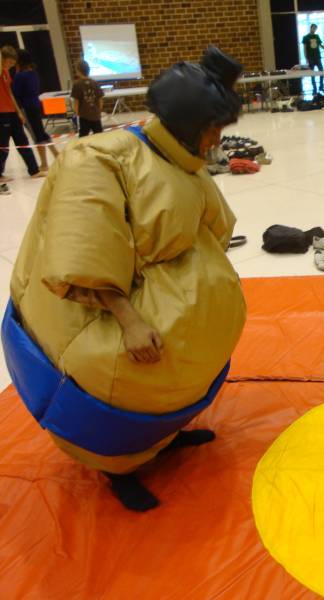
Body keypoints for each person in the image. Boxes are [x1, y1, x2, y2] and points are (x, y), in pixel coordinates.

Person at [2, 47, 247, 512]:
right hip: (109, 320)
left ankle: (165, 436)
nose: (218, 140)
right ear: (188, 123)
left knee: (169, 386)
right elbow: (84, 246)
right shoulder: (101, 157)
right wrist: (130, 320)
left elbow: (213, 231)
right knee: (122, 384)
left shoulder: (183, 163)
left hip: (173, 336)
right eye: (214, 128)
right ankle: (119, 469)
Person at [0, 45, 43, 183]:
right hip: (2, 114)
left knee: (23, 141)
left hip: (12, 112)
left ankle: (34, 170)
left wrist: (18, 112)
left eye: (13, 64)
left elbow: (10, 93)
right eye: (9, 62)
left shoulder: (6, 73)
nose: (11, 66)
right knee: (3, 145)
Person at [12, 49, 59, 171]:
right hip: (36, 104)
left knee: (36, 135)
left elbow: (15, 93)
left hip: (27, 108)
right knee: (41, 132)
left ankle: (44, 163)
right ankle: (56, 154)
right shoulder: (33, 73)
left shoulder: (20, 76)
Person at [71, 60, 104, 137]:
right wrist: (99, 111)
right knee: (99, 136)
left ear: (78, 71)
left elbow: (76, 102)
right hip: (96, 115)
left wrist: (76, 114)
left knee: (83, 136)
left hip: (84, 116)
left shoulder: (76, 84)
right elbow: (100, 100)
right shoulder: (95, 83)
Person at [302, 24, 324, 95]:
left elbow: (320, 45)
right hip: (310, 57)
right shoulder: (306, 37)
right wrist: (306, 58)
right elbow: (305, 48)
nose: (314, 29)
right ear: (311, 28)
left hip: (317, 57)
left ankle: (321, 86)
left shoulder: (317, 36)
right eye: (313, 28)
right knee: (312, 73)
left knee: (322, 71)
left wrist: (323, 47)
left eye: (315, 28)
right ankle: (314, 89)